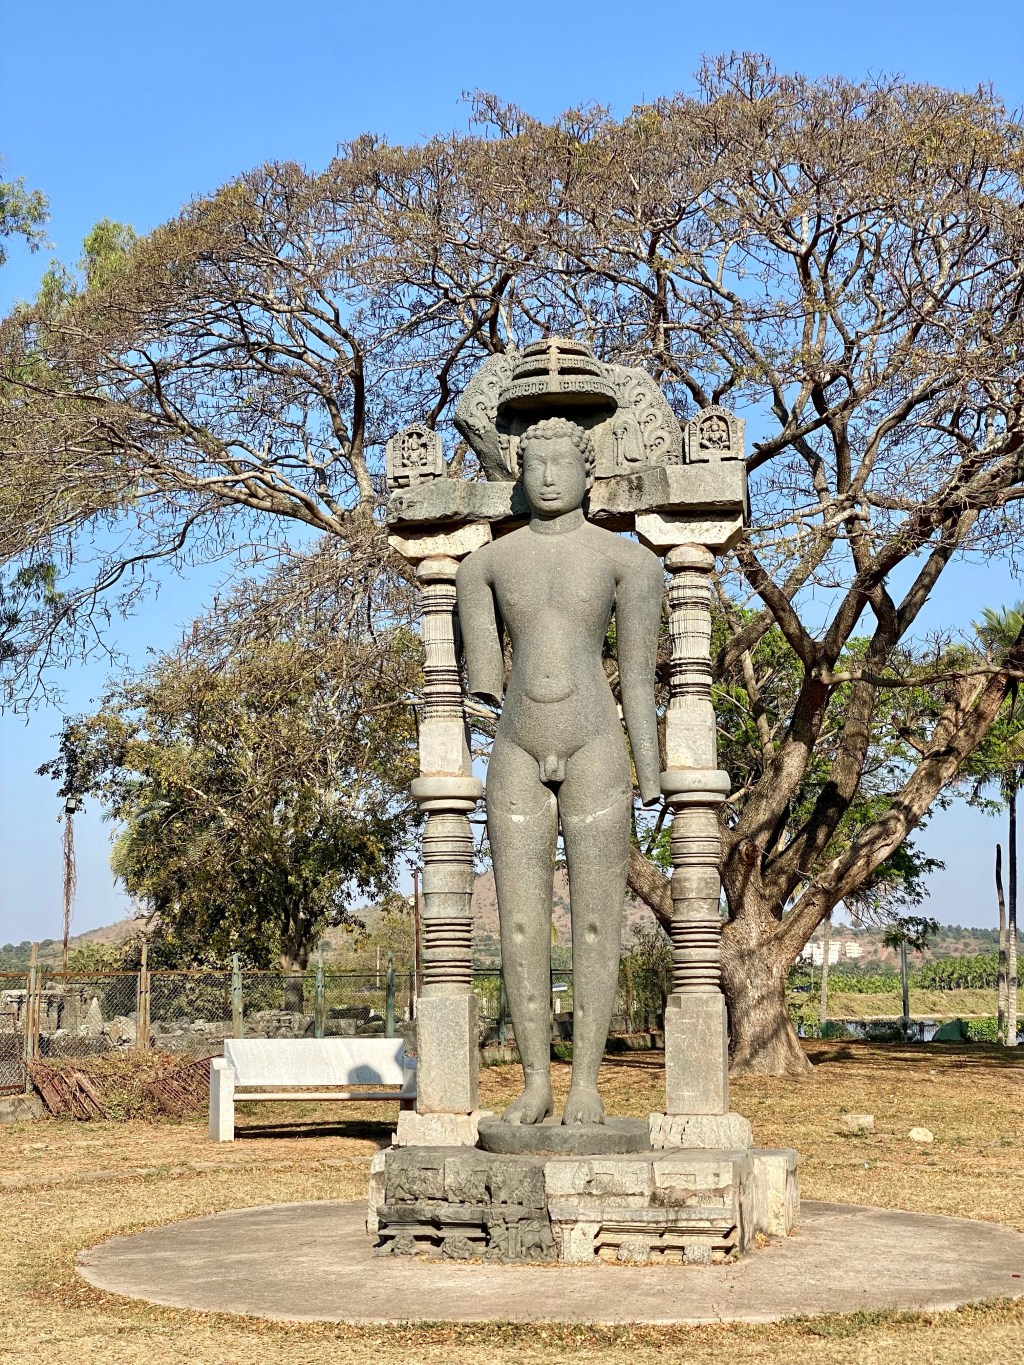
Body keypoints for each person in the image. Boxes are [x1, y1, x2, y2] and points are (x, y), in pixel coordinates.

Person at [456, 416, 662, 1125]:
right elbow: (483, 678)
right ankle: (536, 1081)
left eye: (560, 463)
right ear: (518, 470)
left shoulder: (627, 563)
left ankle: (587, 1084)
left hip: (596, 744)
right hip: (515, 745)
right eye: (534, 462)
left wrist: (652, 766)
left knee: (598, 922)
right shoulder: (483, 568)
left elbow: (636, 677)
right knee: (518, 925)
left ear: (587, 469)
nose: (547, 475)